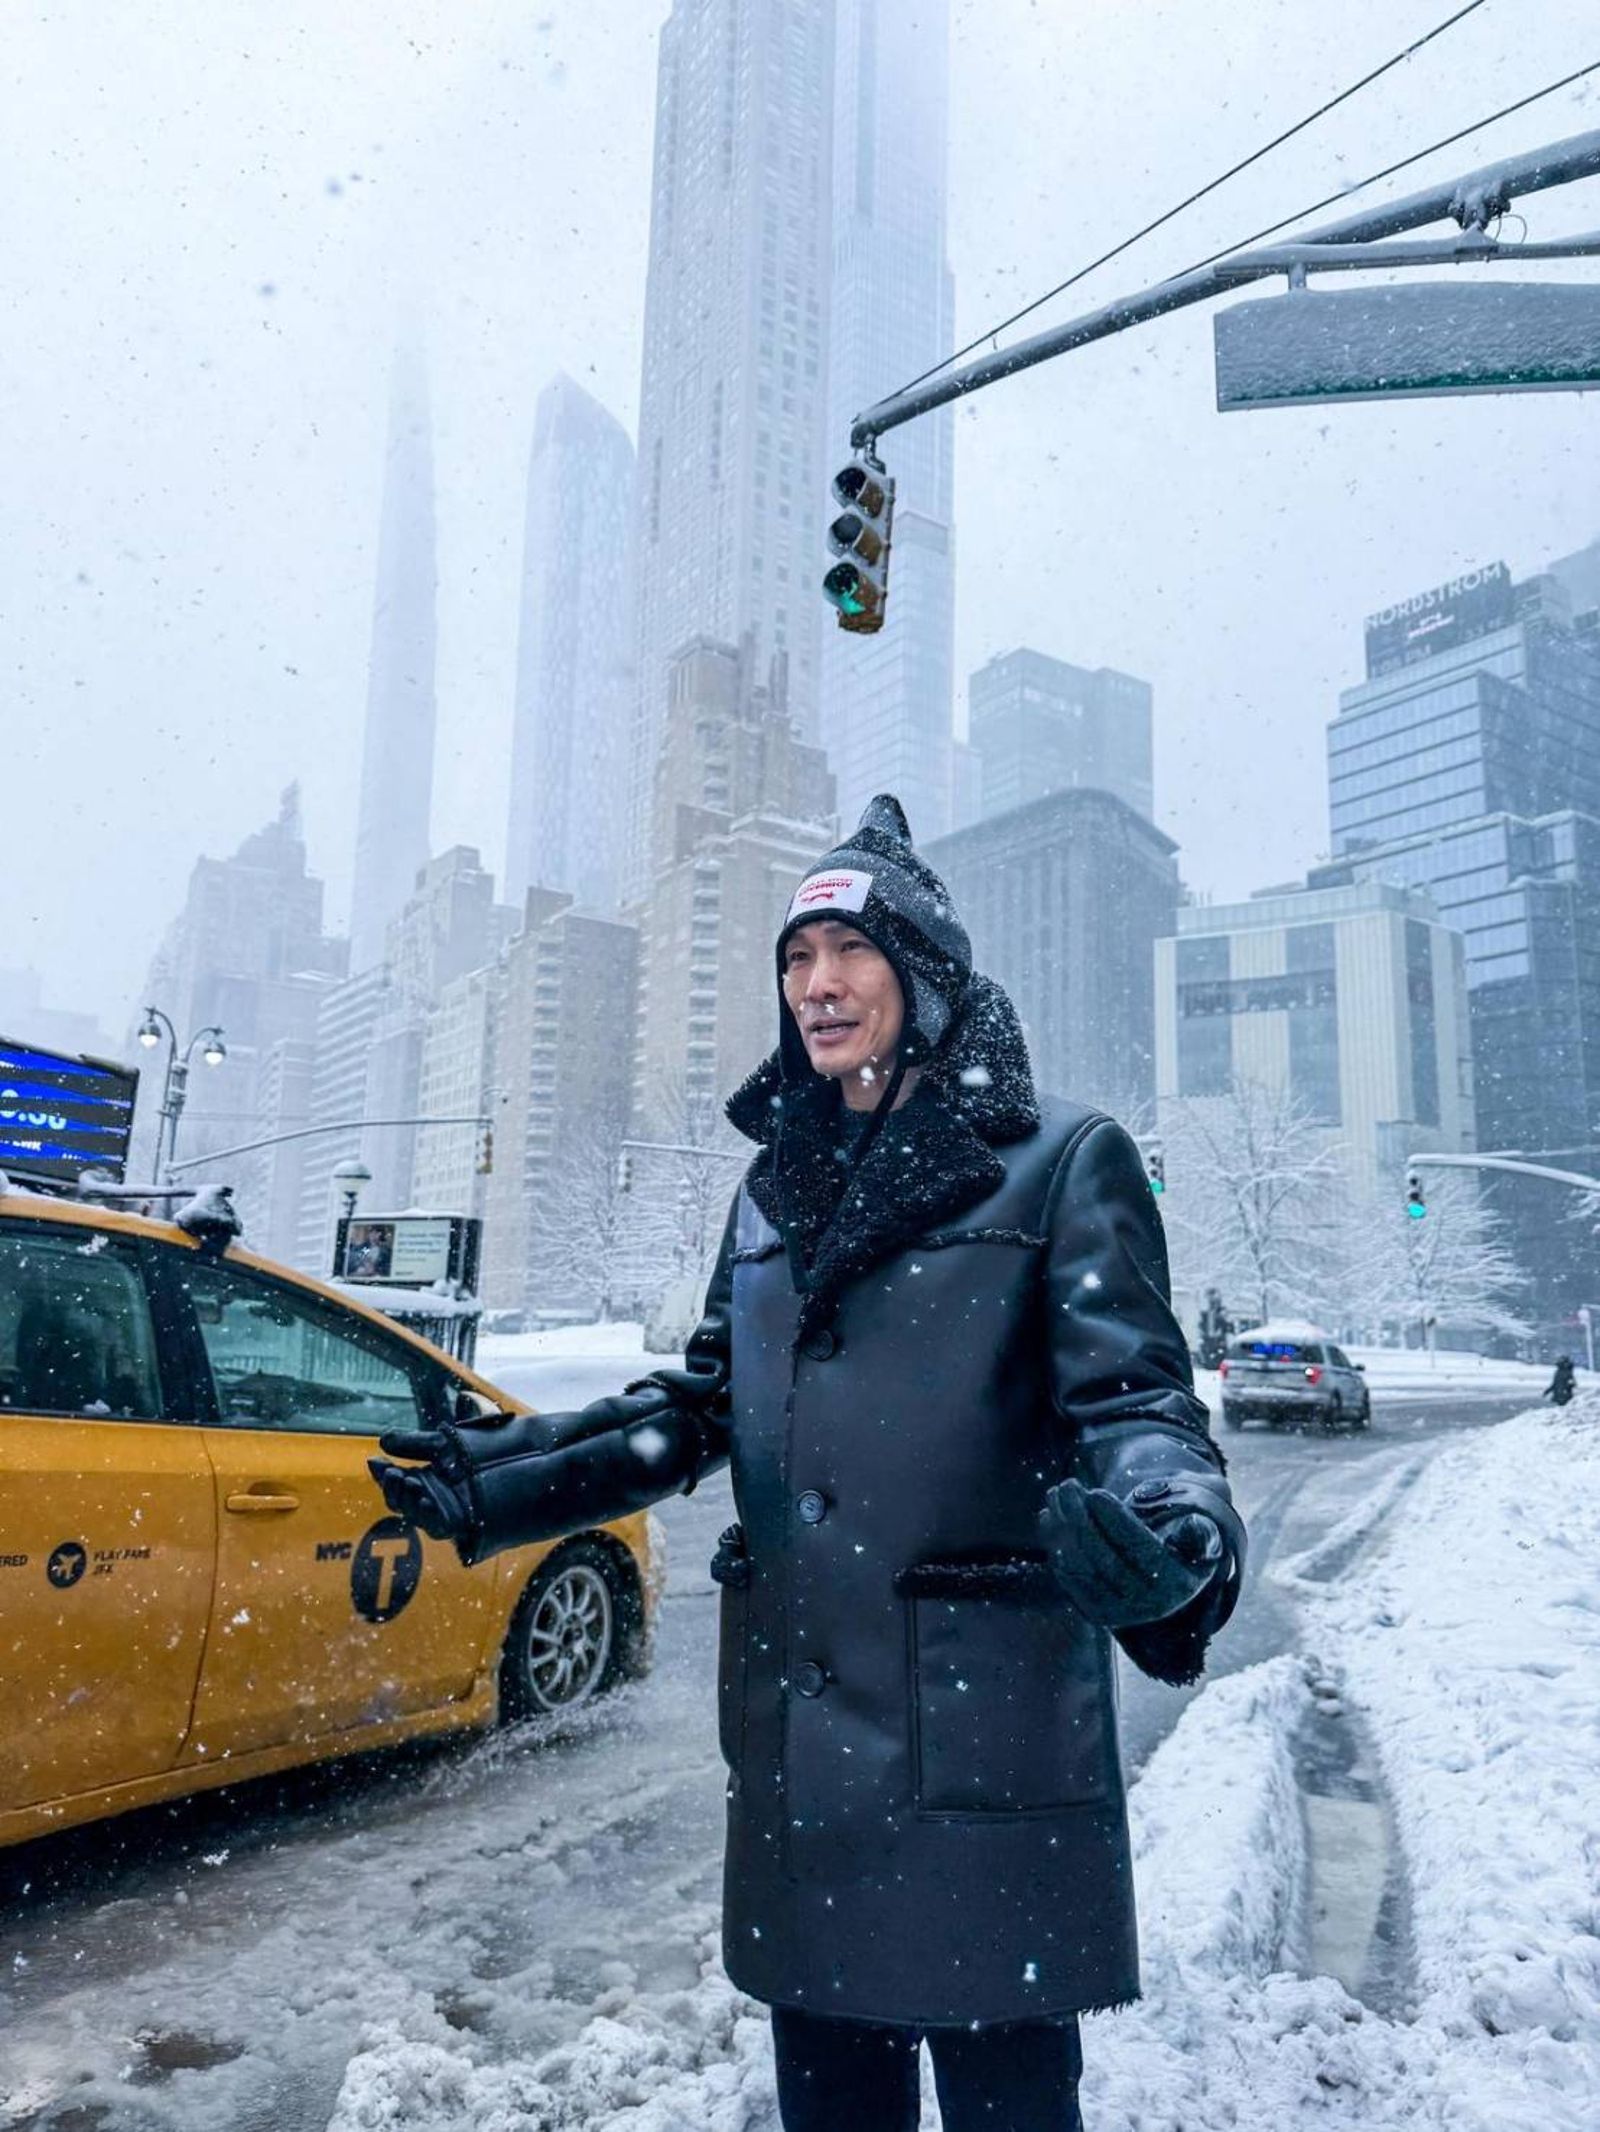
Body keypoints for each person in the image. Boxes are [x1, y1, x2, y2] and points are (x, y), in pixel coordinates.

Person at [370, 796, 1246, 2132]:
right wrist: (510, 1475)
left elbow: (1137, 1403)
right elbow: (706, 1406)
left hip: (980, 1738)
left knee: (1011, 2105)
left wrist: (1176, 1524)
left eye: (850, 951)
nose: (817, 984)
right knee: (830, 2107)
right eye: (795, 958)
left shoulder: (1062, 1164)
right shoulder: (772, 1189)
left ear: (924, 974)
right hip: (805, 1754)